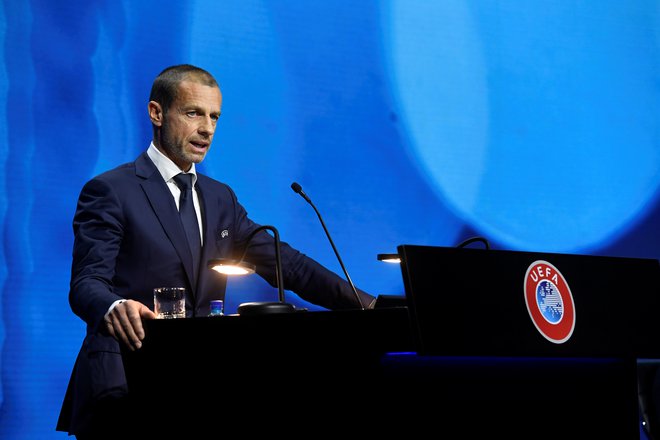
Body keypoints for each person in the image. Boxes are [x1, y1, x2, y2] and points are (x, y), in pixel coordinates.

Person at [56, 64, 376, 438]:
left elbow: (287, 263)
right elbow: (86, 284)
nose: (207, 129)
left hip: (201, 390)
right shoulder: (111, 190)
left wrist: (368, 306)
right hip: (126, 385)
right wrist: (114, 307)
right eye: (193, 113)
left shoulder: (218, 197)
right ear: (157, 113)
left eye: (214, 117)